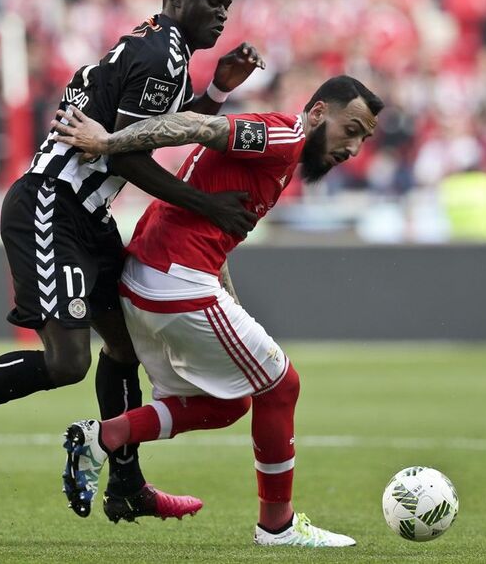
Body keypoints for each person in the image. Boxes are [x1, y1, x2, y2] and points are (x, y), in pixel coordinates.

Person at [0, 0, 265, 524]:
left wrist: (212, 93)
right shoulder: (161, 54)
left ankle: (127, 487)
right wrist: (208, 205)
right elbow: (134, 155)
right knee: (67, 362)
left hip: (86, 216)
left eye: (229, 5)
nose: (223, 14)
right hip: (51, 204)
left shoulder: (165, 52)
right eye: (213, 1)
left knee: (125, 348)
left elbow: (142, 135)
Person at [50, 75, 384, 547]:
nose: (354, 147)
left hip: (150, 282)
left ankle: (103, 435)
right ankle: (278, 527)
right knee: (282, 384)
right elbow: (199, 125)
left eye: (364, 138)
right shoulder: (284, 135)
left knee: (227, 404)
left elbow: (215, 236)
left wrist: (229, 303)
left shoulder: (282, 159)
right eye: (350, 129)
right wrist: (107, 142)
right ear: (317, 115)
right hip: (174, 282)